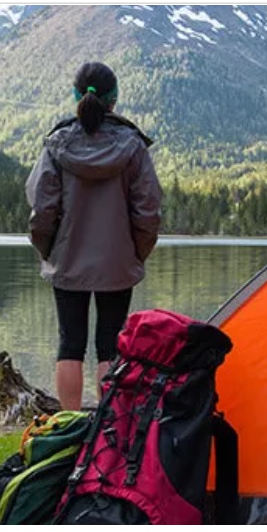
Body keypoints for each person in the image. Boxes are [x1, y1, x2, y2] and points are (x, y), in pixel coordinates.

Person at [25, 62, 162, 410]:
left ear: (75, 96)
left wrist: (50, 251)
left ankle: (68, 423)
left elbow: (41, 210)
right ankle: (108, 427)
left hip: (68, 258)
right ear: (114, 100)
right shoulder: (133, 146)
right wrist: (134, 253)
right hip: (118, 260)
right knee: (111, 345)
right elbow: (148, 211)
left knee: (69, 343)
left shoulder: (56, 144)